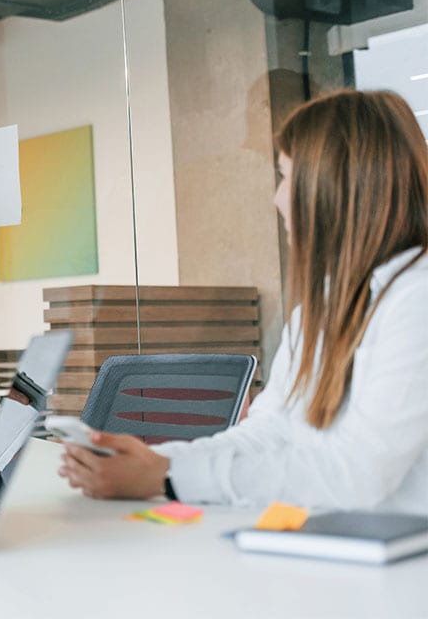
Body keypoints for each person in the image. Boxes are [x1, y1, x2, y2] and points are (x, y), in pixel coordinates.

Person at [59, 89, 428, 512]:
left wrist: (168, 477)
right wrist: (161, 461)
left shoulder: (417, 301)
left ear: (334, 186)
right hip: (327, 542)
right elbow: (268, 432)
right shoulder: (321, 310)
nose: (277, 199)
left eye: (286, 177)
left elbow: (358, 471)